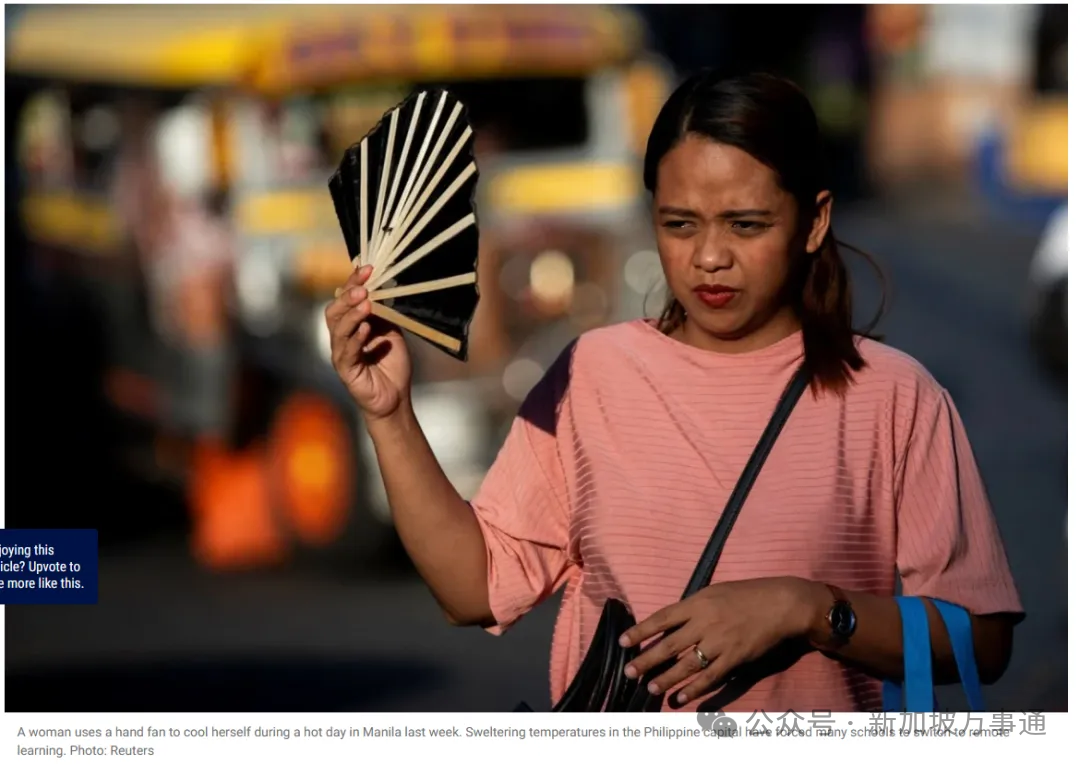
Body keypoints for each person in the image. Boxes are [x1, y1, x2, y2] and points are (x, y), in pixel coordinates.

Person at [324, 72, 1023, 713]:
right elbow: (472, 587)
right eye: (679, 223)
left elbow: (981, 640)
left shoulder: (896, 397)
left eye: (746, 224)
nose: (708, 257)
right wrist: (388, 416)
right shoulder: (592, 373)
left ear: (813, 221)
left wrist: (806, 608)